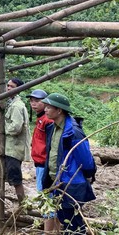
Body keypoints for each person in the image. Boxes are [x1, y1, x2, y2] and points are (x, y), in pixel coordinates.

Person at [41, 93, 96, 234]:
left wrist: (89, 174)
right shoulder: (53, 128)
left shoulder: (73, 132)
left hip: (71, 184)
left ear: (59, 110)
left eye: (48, 107)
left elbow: (86, 160)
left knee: (73, 224)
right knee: (63, 218)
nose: (45, 109)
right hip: (57, 182)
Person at [26, 89, 60, 232]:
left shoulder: (47, 121)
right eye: (32, 101)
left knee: (46, 199)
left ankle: (48, 232)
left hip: (44, 165)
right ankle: (54, 231)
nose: (34, 104)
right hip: (40, 164)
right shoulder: (40, 119)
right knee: (51, 198)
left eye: (37, 101)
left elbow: (51, 146)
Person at [4, 78, 30, 203]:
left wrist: (3, 128)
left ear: (18, 89)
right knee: (10, 175)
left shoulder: (16, 106)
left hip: (14, 149)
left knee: (15, 178)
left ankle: (23, 204)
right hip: (11, 148)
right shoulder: (12, 103)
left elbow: (15, 127)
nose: (8, 88)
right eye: (8, 86)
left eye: (12, 86)